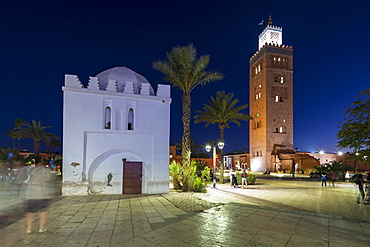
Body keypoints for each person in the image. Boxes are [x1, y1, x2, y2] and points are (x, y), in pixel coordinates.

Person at [23, 162, 56, 234]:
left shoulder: (31, 171)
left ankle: (29, 228)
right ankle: (41, 227)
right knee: (43, 211)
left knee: (30, 212)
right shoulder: (46, 171)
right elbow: (49, 180)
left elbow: (25, 182)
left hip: (31, 195)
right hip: (43, 195)